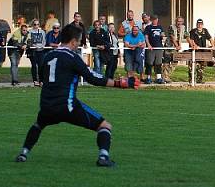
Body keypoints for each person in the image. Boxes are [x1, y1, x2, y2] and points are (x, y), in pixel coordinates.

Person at [15, 23, 137, 168]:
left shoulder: (49, 56)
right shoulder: (72, 57)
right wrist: (120, 83)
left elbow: (42, 78)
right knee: (105, 126)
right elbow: (93, 78)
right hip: (67, 106)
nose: (79, 44)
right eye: (78, 41)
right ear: (73, 41)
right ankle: (103, 157)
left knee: (38, 124)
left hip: (47, 105)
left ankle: (23, 153)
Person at [188, 19, 212, 84]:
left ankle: (199, 80)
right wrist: (195, 45)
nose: (199, 25)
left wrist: (213, 45)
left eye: (201, 24)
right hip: (193, 52)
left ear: (202, 25)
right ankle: (191, 80)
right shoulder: (193, 31)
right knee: (192, 67)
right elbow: (191, 40)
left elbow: (210, 38)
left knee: (201, 67)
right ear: (196, 24)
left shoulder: (205, 30)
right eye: (198, 24)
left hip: (202, 52)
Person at [143, 15, 166, 84]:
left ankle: (158, 77)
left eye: (156, 19)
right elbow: (146, 37)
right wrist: (149, 45)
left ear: (157, 20)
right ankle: (148, 77)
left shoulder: (160, 27)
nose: (155, 21)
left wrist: (162, 35)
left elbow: (163, 34)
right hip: (151, 48)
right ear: (151, 20)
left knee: (158, 63)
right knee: (149, 63)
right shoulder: (148, 27)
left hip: (159, 47)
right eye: (153, 19)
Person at [166, 16, 189, 82]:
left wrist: (192, 45)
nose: (179, 23)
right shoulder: (171, 27)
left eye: (181, 21)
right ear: (176, 21)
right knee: (166, 62)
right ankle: (165, 77)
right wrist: (177, 46)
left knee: (175, 62)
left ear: (183, 22)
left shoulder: (183, 28)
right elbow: (172, 37)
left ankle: (166, 75)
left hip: (177, 48)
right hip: (169, 46)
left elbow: (187, 36)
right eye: (178, 21)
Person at [28, 19, 47, 86]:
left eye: (37, 24)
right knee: (34, 66)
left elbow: (44, 41)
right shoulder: (30, 32)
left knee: (41, 66)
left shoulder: (42, 32)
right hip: (33, 51)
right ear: (33, 25)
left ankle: (41, 80)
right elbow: (29, 40)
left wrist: (42, 46)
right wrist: (33, 45)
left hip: (41, 51)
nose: (36, 26)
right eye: (35, 24)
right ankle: (35, 80)